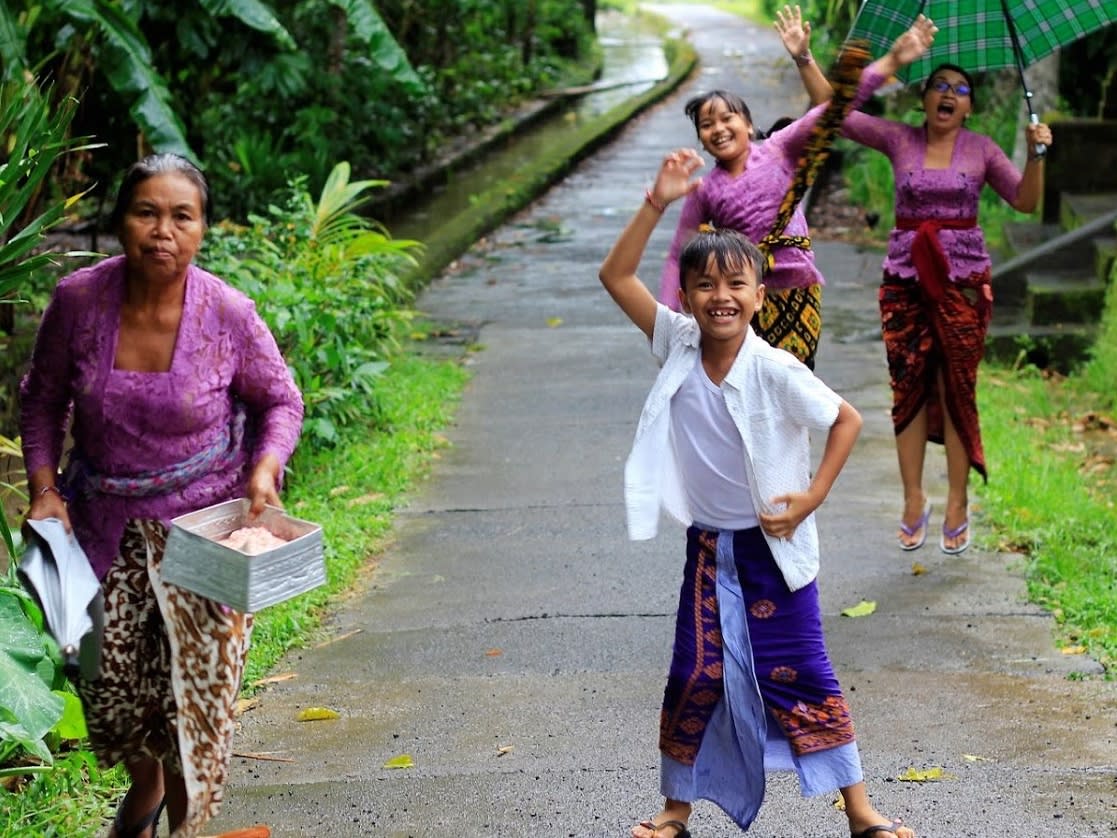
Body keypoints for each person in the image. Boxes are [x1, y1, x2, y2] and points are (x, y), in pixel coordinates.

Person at [19, 153, 304, 838]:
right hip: (95, 529)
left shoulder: (227, 313)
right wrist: (43, 489)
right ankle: (141, 795)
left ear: (203, 229)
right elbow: (42, 398)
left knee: (191, 710)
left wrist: (264, 470)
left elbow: (280, 400)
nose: (162, 230)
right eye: (146, 212)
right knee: (109, 698)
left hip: (204, 537)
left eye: (182, 216)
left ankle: (181, 827)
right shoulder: (79, 301)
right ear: (120, 221)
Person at [791, 17, 1054, 554]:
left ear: (970, 107)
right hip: (904, 279)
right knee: (908, 386)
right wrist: (804, 59)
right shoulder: (898, 138)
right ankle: (914, 499)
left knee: (955, 387)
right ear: (924, 98)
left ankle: (957, 501)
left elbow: (1025, 202)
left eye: (960, 89)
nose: (949, 94)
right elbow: (833, 114)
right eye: (940, 85)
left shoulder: (982, 150)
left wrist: (1037, 154)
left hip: (964, 284)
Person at [653, 5, 841, 370]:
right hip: (742, 300)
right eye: (707, 125)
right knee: (745, 385)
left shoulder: (781, 148)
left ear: (749, 125)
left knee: (794, 382)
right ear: (702, 142)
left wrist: (803, 57)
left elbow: (830, 109)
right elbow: (678, 253)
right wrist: (668, 319)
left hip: (798, 291)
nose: (718, 128)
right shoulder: (705, 191)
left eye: (727, 117)